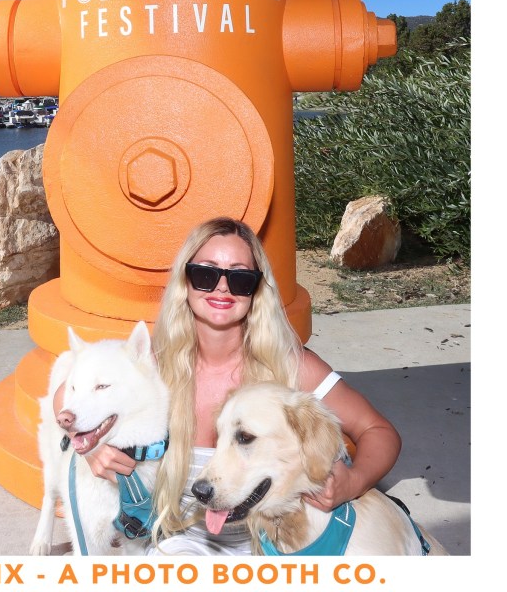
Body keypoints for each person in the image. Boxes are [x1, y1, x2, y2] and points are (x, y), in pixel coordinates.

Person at [54, 216, 401, 554]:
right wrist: (89, 447)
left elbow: (379, 431)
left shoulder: (292, 367)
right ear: (185, 282)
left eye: (240, 278)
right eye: (205, 274)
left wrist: (354, 482)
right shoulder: (153, 367)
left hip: (277, 541)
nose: (222, 287)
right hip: (183, 538)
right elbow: (65, 398)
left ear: (256, 290)